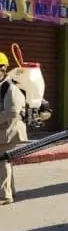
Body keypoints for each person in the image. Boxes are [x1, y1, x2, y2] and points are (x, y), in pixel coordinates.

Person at [0, 51, 27, 205]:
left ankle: (4, 196)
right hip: (3, 131)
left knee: (2, 161)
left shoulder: (10, 88)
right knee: (5, 161)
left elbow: (12, 112)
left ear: (3, 69)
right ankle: (11, 190)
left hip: (8, 131)